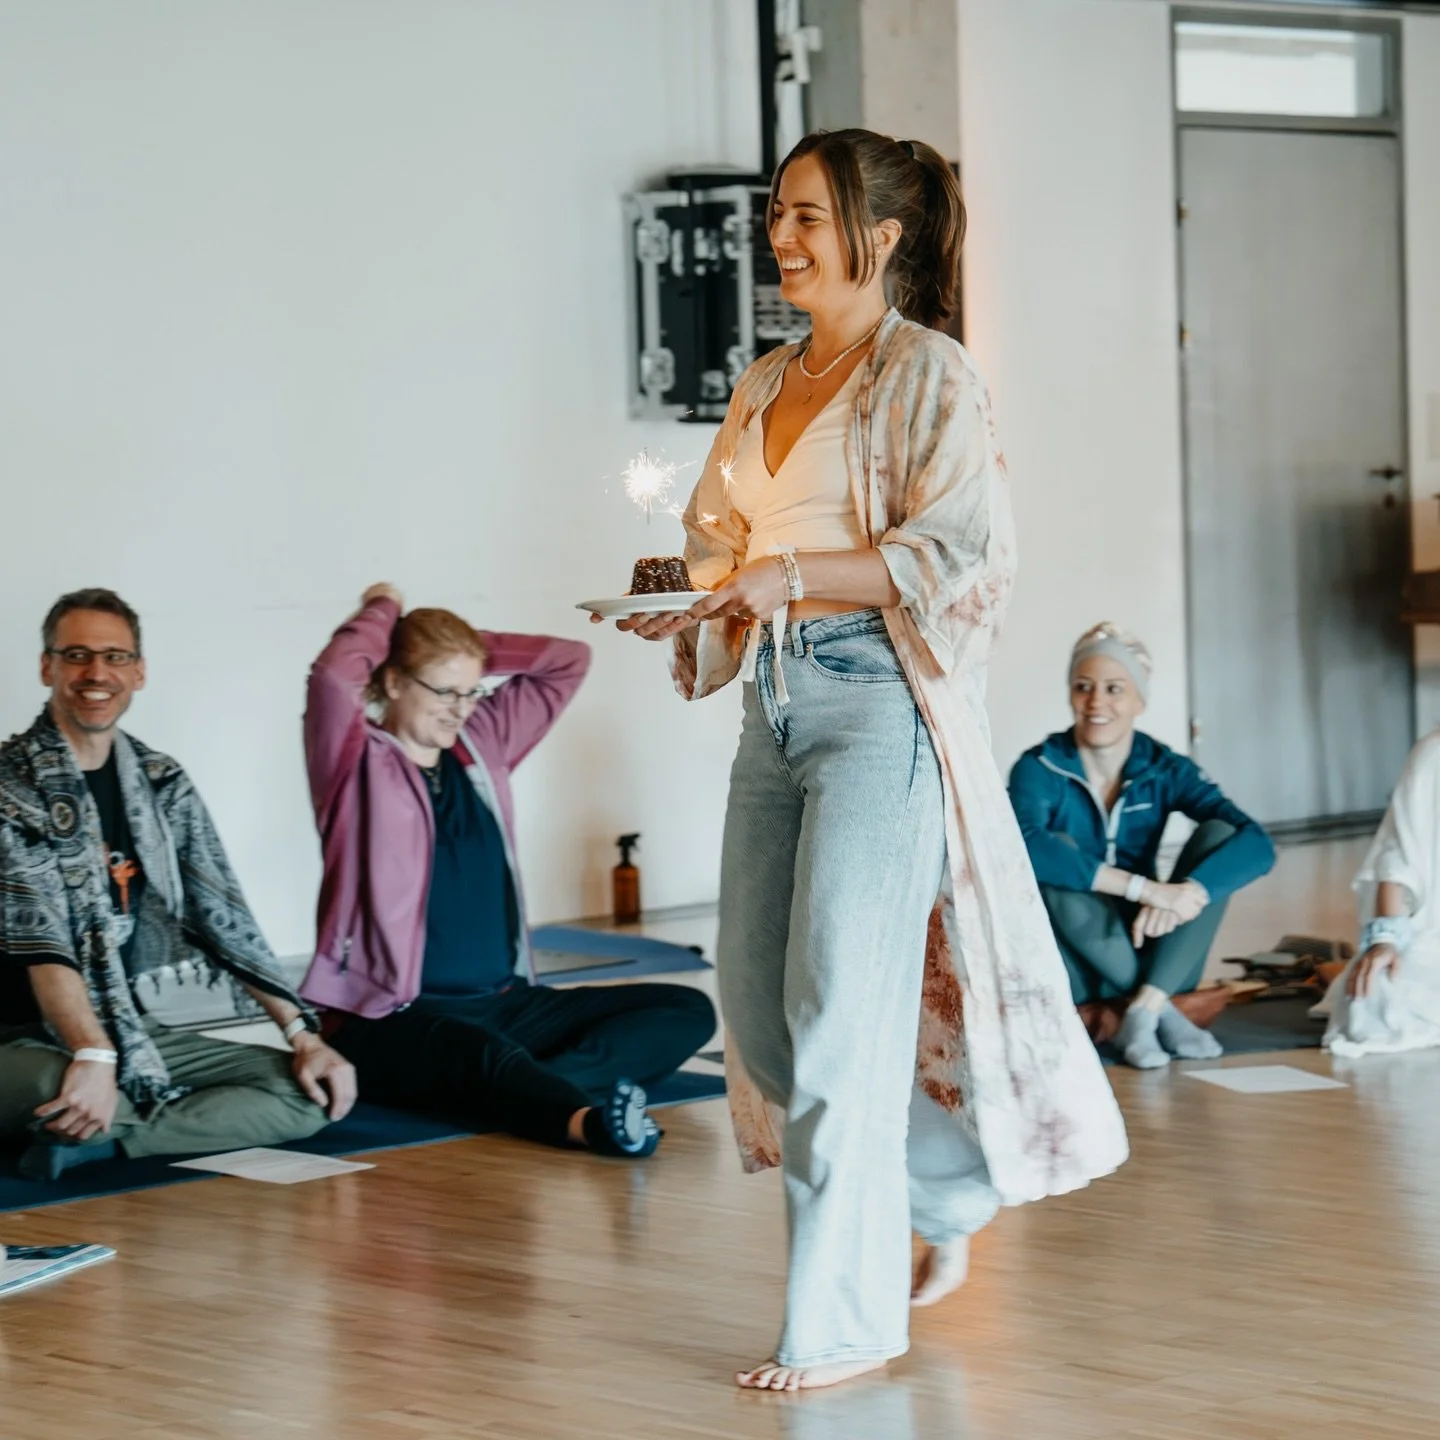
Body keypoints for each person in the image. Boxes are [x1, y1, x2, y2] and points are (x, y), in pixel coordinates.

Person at [602, 129, 1128, 1392]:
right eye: (777, 214)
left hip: (880, 707)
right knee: (761, 1019)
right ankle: (944, 1194)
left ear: (878, 237)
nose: (779, 238)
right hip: (775, 706)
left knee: (839, 1017)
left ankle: (842, 1322)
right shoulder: (761, 380)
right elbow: (715, 539)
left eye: (806, 216)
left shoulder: (930, 372)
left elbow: (952, 553)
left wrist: (783, 576)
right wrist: (689, 601)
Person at [299, 586, 715, 1160]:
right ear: (393, 681)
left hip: (506, 1002)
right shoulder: (351, 762)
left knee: (686, 1011)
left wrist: (462, 656)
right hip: (394, 1014)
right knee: (473, 1053)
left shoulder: (480, 743)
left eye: (471, 691)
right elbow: (331, 676)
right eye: (444, 691)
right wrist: (385, 610)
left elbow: (567, 660)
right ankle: (583, 1121)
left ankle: (517, 1086)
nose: (460, 707)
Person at [0, 589, 355, 1180]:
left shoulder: (162, 784)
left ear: (138, 672)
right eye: (77, 656)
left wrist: (303, 1035)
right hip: (16, 1036)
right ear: (47, 667)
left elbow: (224, 918)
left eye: (115, 657)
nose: (96, 673)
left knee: (306, 1091)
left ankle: (101, 1139)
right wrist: (93, 1053)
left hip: (128, 1028)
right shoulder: (9, 787)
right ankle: (103, 1109)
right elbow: (46, 945)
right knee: (52, 1084)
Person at [1009, 623, 1276, 1069]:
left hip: (1155, 949)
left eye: (1114, 689)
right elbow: (1025, 846)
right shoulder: (1039, 767)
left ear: (1140, 700)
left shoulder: (1164, 768)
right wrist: (1146, 889)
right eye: (1083, 687)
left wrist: (1190, 893)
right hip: (1076, 962)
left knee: (1219, 836)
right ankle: (1157, 1008)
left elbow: (1258, 844)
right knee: (1051, 848)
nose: (1097, 702)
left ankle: (1145, 1006)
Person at [1321, 729, 1440, 1057]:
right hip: (1432, 940)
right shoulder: (1434, 754)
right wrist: (1385, 939)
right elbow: (1396, 856)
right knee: (1376, 1000)